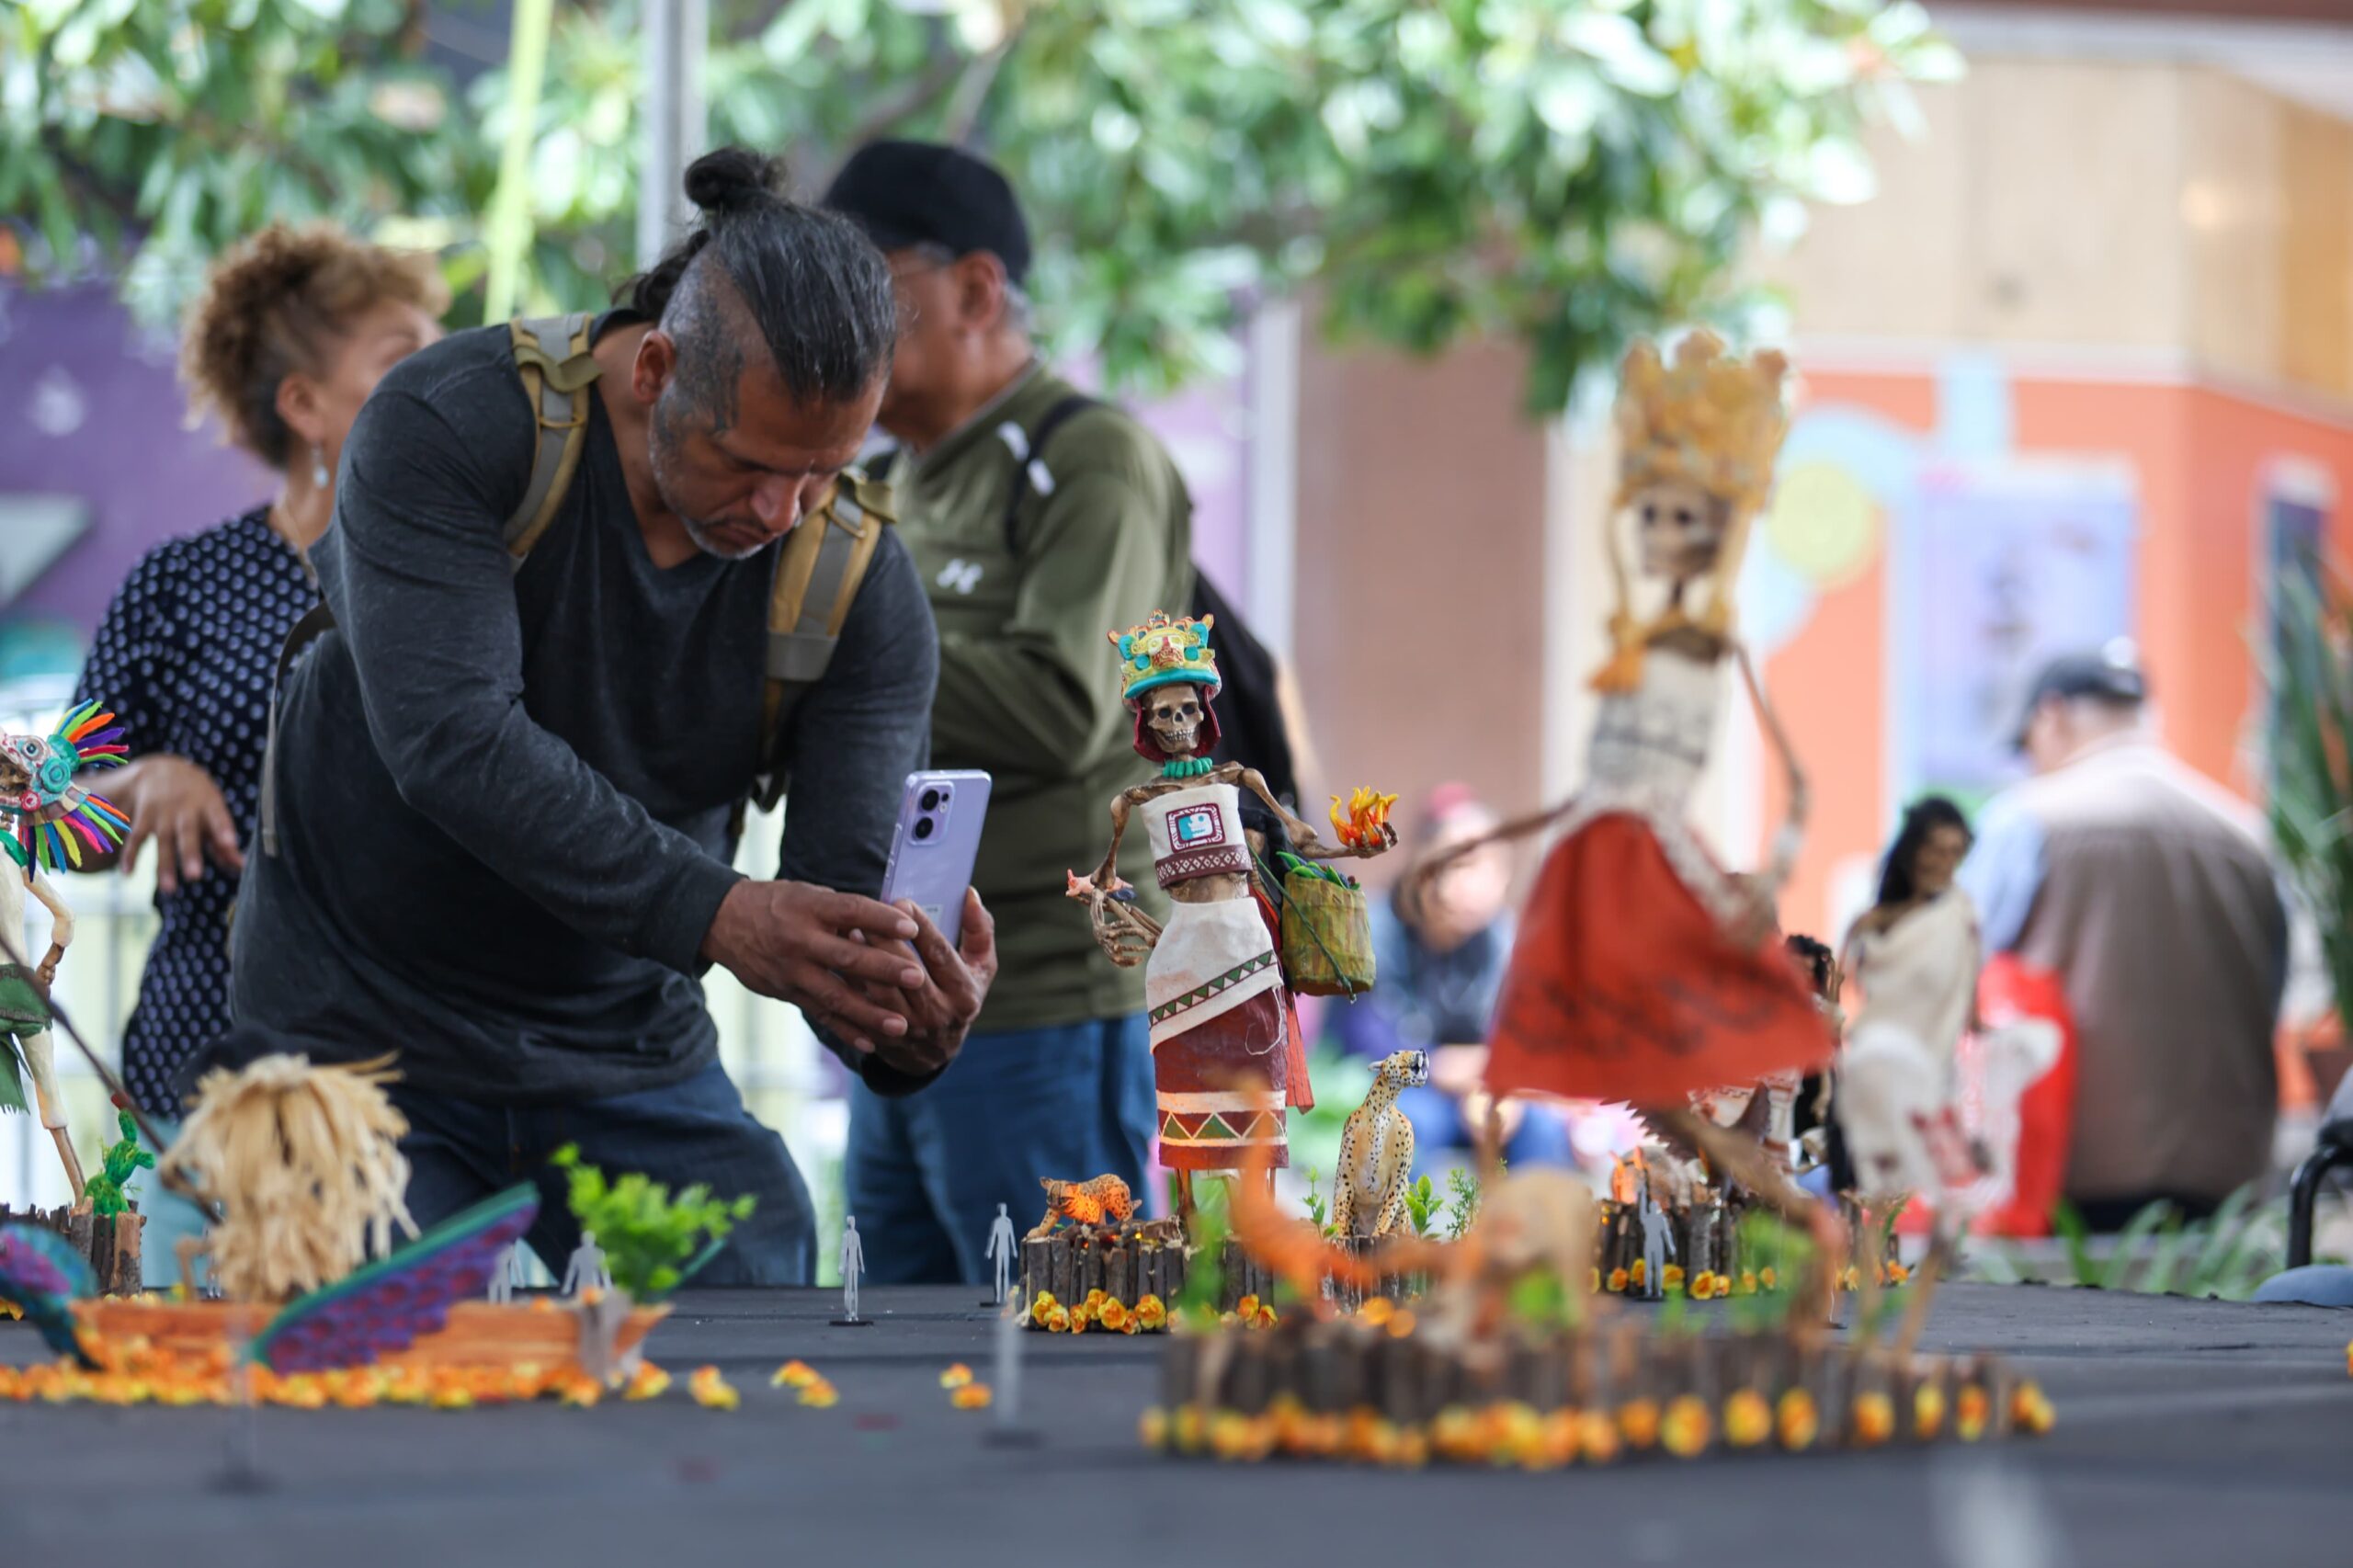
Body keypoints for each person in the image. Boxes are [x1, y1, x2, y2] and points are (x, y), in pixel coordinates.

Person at [198, 148, 995, 1286]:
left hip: (624, 1050)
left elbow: (840, 897)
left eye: (821, 474)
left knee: (753, 1278)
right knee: (371, 1372)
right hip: (354, 1031)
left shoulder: (861, 582)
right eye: (751, 463)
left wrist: (905, 1014)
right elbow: (452, 740)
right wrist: (719, 911)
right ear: (654, 369)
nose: (782, 512)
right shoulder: (451, 424)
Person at [821, 142, 1190, 1280]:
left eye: (867, 287)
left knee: (1065, 1338)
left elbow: (1067, 705)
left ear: (975, 289)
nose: (838, 324)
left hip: (1044, 999)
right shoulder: (892, 478)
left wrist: (848, 652)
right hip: (910, 1000)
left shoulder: (1090, 460)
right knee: (896, 1360)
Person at [68, 222, 447, 1115]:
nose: (443, 392)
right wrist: (139, 780)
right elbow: (49, 824)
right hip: (209, 1064)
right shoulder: (179, 584)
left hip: (427, 1077)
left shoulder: (476, 579)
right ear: (305, 405)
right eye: (404, 364)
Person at [1962, 644, 2288, 1227]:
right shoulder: (2246, 837)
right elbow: (2274, 997)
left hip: (2064, 1181)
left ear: (2051, 715)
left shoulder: (2026, 820)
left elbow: (1951, 976)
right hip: (2224, 1187)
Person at [1330, 785, 1574, 1167]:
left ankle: (1535, 1228)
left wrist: (1496, 1085)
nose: (1470, 883)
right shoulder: (1374, 931)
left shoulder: (1504, 943)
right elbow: (1367, 1042)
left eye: (1488, 867)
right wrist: (1445, 1067)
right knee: (1404, 1125)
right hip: (1395, 1090)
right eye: (1457, 864)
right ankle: (1400, 1230)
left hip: (1476, 1091)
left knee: (1540, 1128)